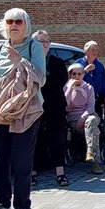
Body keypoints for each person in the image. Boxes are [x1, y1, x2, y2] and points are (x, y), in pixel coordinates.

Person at [0, 9, 47, 209]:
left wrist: (19, 61)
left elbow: (41, 78)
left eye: (19, 21)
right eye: (10, 21)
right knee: (0, 161)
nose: (14, 25)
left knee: (21, 161)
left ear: (26, 24)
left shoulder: (33, 47)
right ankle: (1, 205)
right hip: (0, 112)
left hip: (26, 112)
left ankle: (23, 207)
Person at [31, 30, 70, 188]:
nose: (45, 44)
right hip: (34, 106)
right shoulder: (30, 62)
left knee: (57, 139)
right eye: (41, 41)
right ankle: (32, 173)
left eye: (47, 41)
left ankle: (60, 173)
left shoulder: (57, 62)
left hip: (55, 106)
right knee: (35, 139)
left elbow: (61, 81)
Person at [64, 62, 103, 175]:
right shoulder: (66, 88)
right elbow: (65, 105)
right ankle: (95, 160)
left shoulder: (88, 88)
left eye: (79, 74)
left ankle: (91, 152)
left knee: (91, 122)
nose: (76, 77)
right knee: (93, 128)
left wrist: (83, 117)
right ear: (70, 75)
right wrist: (70, 89)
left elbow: (91, 106)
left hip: (89, 115)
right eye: (74, 74)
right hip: (72, 117)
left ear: (83, 75)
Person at [77, 41, 105, 145]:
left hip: (96, 100)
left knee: (98, 125)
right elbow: (73, 79)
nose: (95, 52)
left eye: (96, 50)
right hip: (81, 102)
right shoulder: (78, 63)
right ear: (86, 51)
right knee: (82, 126)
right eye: (92, 49)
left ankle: (97, 149)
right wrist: (85, 71)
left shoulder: (99, 65)